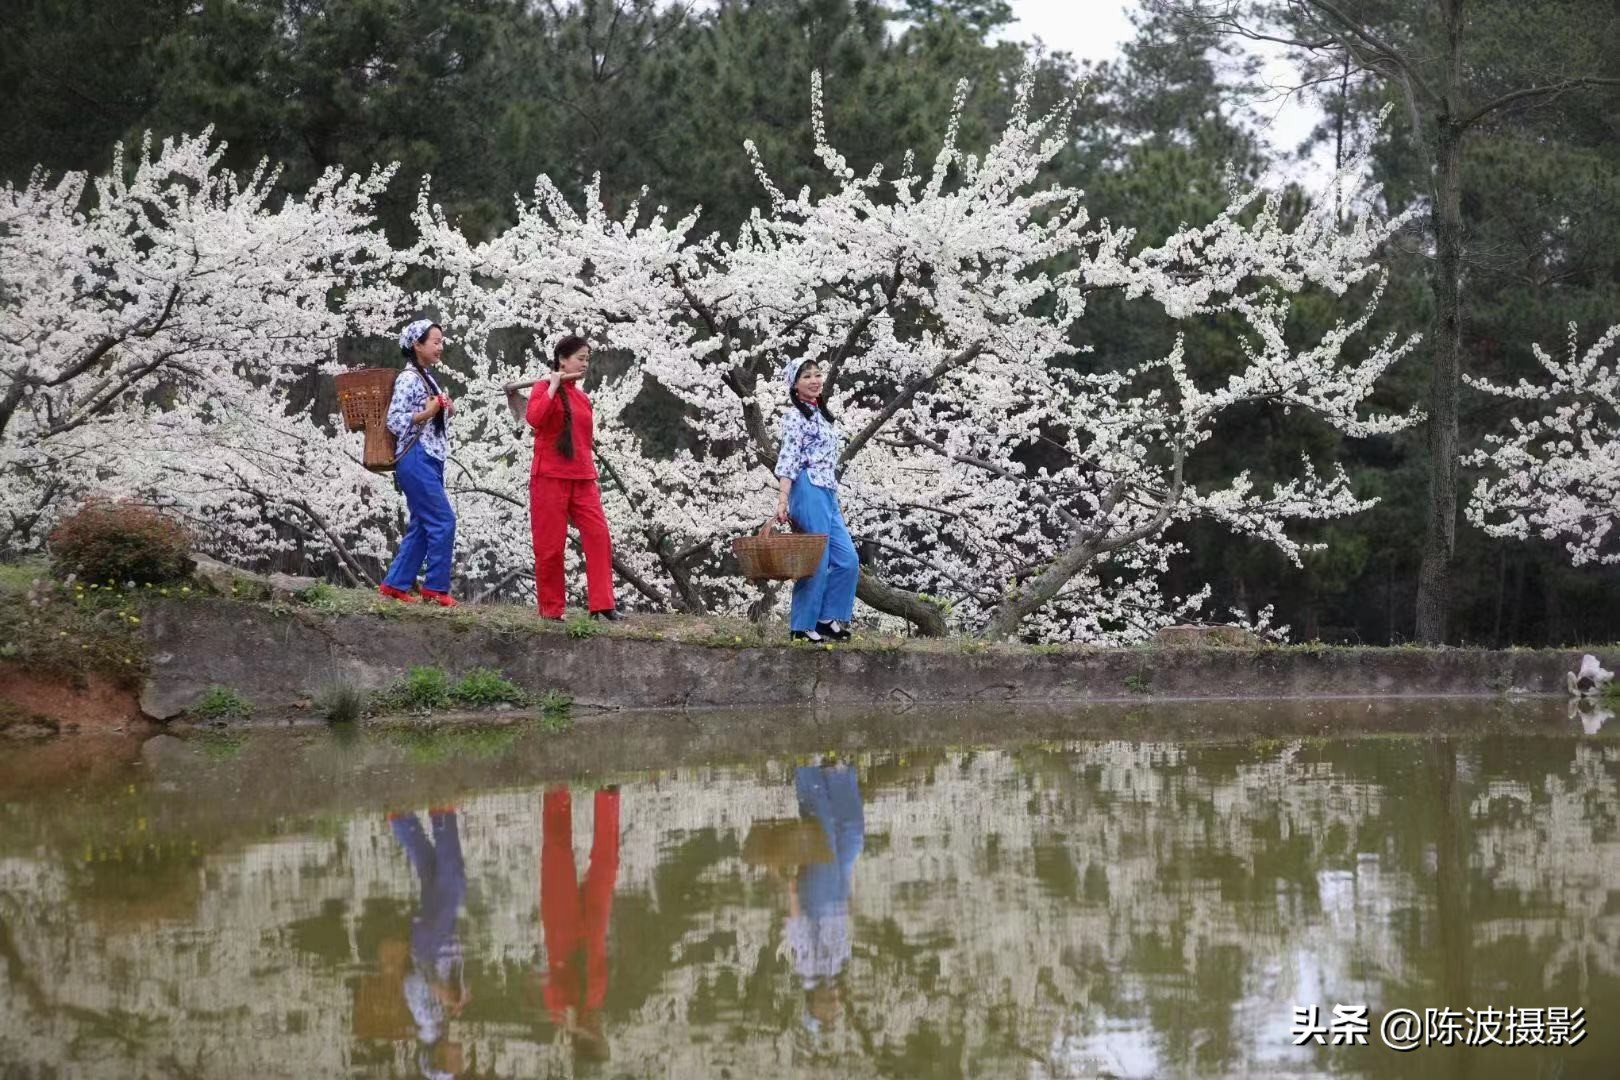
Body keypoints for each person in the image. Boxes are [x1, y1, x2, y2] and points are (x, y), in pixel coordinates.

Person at [527, 335, 620, 622]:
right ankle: (551, 609)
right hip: (549, 477)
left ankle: (602, 605)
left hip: (582, 477)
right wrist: (553, 387)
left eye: (587, 359)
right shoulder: (542, 388)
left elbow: (584, 439)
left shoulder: (583, 399)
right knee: (550, 546)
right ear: (562, 359)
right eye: (580, 358)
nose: (584, 364)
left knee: (599, 535)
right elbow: (535, 419)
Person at [774, 358, 858, 642]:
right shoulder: (795, 417)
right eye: (806, 376)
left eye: (817, 374)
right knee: (816, 560)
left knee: (847, 560)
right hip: (807, 487)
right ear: (795, 385)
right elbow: (788, 459)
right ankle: (802, 625)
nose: (814, 380)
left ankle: (825, 618)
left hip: (828, 491)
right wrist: (783, 499)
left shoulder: (821, 415)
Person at [539, 786, 621, 1064]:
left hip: (563, 930)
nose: (599, 1029)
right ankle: (607, 794)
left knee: (557, 855)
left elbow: (553, 982)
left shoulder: (559, 1011)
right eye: (601, 1034)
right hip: (595, 925)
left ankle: (557, 793)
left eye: (597, 1036)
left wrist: (573, 1017)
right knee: (606, 864)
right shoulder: (597, 999)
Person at [379, 319, 458, 606]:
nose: (440, 346)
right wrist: (428, 413)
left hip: (431, 457)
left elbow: (432, 412)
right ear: (417, 344)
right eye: (435, 341)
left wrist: (446, 409)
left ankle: (395, 584)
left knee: (423, 524)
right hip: (415, 457)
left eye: (441, 341)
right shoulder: (409, 378)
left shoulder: (426, 378)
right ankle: (435, 588)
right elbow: (395, 420)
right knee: (443, 520)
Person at [785, 762, 864, 1043]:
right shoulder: (838, 967)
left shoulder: (809, 970)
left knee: (824, 832)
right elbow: (843, 924)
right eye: (835, 1010)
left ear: (812, 1003)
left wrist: (793, 891)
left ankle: (808, 770)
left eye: (826, 1010)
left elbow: (799, 932)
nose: (833, 1005)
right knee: (853, 837)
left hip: (816, 898)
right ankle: (837, 774)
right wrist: (850, 891)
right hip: (838, 893)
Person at [389, 808, 469, 1078]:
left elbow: (412, 982)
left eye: (453, 1064)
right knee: (431, 869)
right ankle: (400, 818)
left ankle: (442, 811)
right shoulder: (443, 1021)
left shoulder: (427, 1022)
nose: (460, 1061)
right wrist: (457, 989)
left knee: (453, 881)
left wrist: (440, 989)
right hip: (440, 938)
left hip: (431, 943)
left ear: (438, 1056)